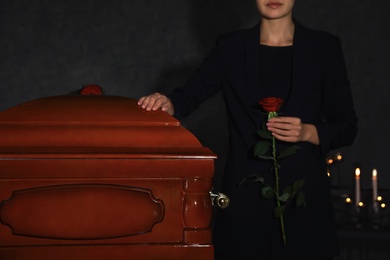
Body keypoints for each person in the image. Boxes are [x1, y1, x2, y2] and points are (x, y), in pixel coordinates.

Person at [138, 0, 357, 259]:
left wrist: (307, 132)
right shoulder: (230, 47)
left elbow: (347, 126)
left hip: (305, 203)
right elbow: (187, 97)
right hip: (244, 203)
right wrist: (168, 102)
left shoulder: (324, 47)